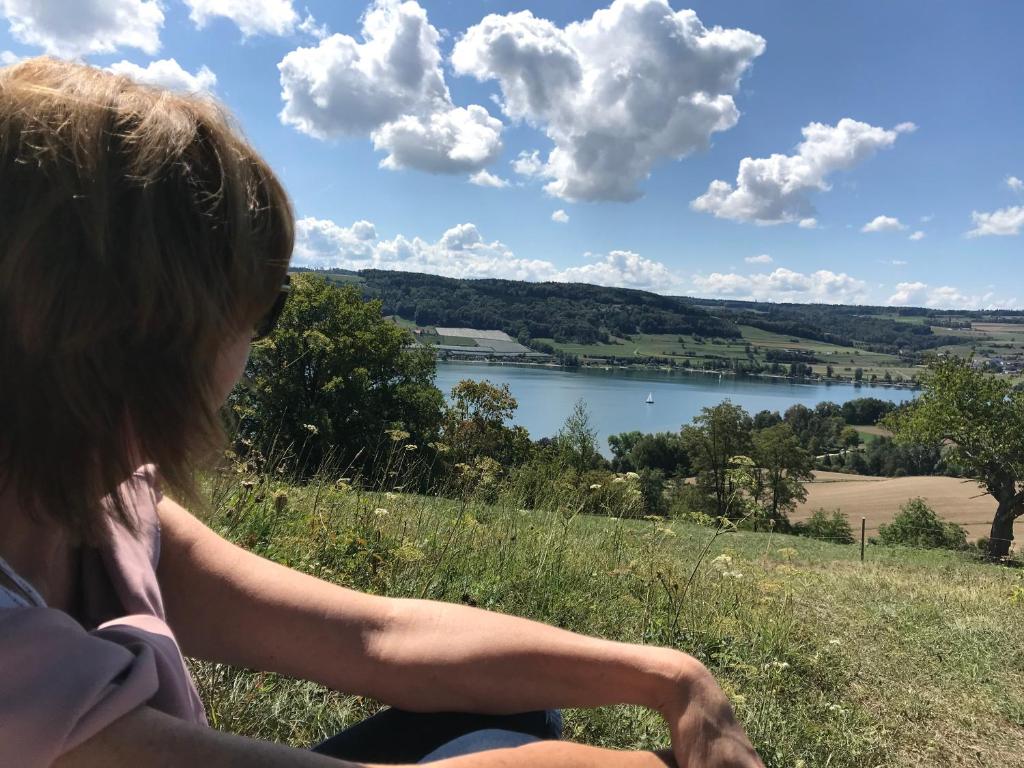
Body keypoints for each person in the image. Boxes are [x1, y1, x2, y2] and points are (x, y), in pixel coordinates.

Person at [0, 57, 763, 768]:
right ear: (148, 330)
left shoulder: (107, 510)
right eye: (263, 307)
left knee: (523, 708)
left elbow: (377, 637)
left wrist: (673, 677)